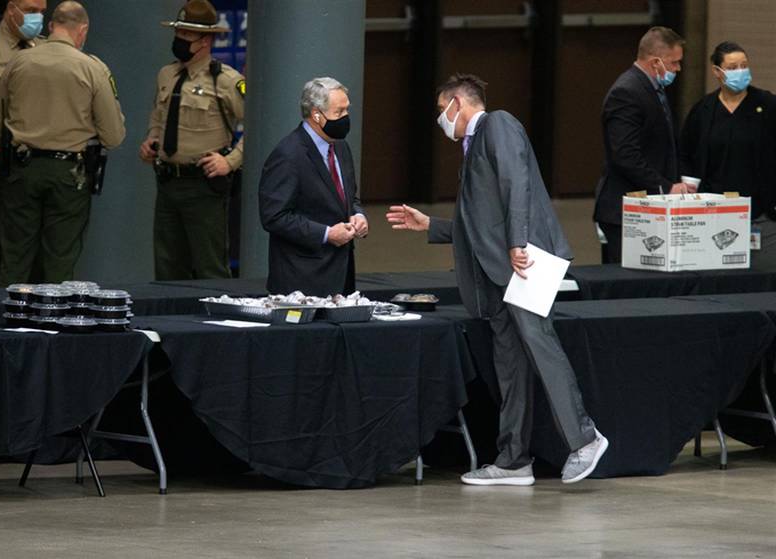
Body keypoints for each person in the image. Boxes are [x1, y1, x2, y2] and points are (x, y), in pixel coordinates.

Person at [386, 74, 607, 486]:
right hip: (500, 272)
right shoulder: (473, 147)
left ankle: (586, 438)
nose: (441, 120)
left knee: (540, 346)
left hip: (524, 262)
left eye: (441, 111)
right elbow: (481, 223)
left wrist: (518, 240)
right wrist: (430, 224)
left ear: (457, 103)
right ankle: (512, 459)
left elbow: (516, 183)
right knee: (511, 362)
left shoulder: (497, 124)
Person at [0, 1, 125, 286]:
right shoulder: (92, 69)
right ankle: (52, 325)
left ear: (51, 25)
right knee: (59, 259)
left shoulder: (19, 62)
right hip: (69, 175)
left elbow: (0, 113)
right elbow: (113, 135)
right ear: (83, 30)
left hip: (21, 169)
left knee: (15, 257)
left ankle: (5, 324)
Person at [139, 0, 244, 281]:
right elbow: (158, 118)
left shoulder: (226, 81)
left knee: (210, 266)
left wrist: (230, 161)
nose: (179, 41)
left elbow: (257, 129)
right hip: (168, 181)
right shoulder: (166, 74)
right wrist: (151, 141)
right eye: (178, 34)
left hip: (204, 186)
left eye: (186, 36)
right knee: (167, 266)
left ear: (205, 41)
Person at [259, 77, 367, 296]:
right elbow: (274, 216)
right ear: (317, 115)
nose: (346, 118)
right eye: (339, 112)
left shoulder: (341, 147)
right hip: (301, 280)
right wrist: (326, 234)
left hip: (341, 278)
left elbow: (348, 197)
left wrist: (358, 215)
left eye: (347, 110)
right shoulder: (288, 154)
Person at [594, 26, 693, 263]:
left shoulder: (652, 88)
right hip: (626, 213)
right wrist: (666, 186)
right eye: (674, 63)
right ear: (656, 61)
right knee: (626, 286)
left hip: (649, 209)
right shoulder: (626, 92)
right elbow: (625, 155)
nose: (678, 69)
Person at [680, 41, 776, 271]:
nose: (740, 72)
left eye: (744, 65)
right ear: (717, 71)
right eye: (733, 67)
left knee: (765, 279)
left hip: (761, 214)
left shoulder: (768, 105)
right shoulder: (703, 111)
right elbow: (687, 155)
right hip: (715, 212)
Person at [0, 0, 46, 287]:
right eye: (30, 10)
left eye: (42, 12)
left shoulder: (45, 51)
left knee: (27, 260)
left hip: (31, 170)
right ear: (10, 9)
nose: (36, 18)